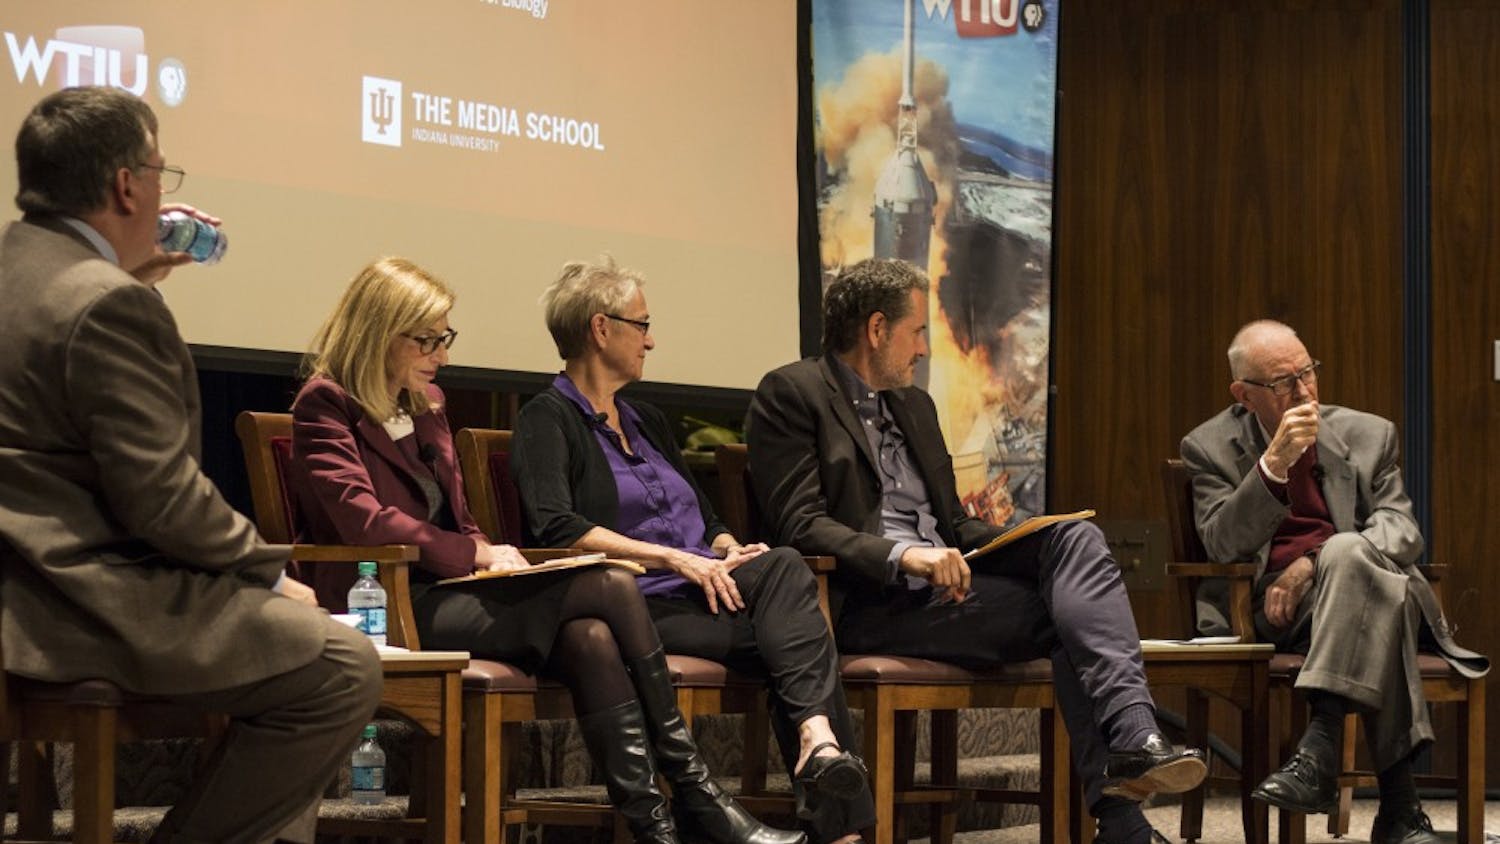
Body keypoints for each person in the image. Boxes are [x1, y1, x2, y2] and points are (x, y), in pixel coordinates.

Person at [288, 257, 803, 844]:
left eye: (445, 338)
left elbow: (460, 516)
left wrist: (489, 551)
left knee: (592, 636)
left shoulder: (425, 402)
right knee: (609, 581)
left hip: (450, 589)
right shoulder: (325, 404)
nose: (443, 355)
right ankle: (697, 791)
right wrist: (475, 556)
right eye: (428, 339)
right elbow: (365, 522)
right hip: (387, 602)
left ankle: (655, 828)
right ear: (381, 332)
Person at [0, 86, 383, 844]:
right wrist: (269, 574)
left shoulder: (33, 272)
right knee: (341, 663)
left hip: (17, 584)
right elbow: (163, 501)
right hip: (75, 599)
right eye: (160, 172)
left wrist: (130, 277)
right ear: (126, 185)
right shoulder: (108, 304)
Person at [744, 258, 1206, 844]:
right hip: (870, 601)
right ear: (877, 328)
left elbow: (956, 526)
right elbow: (798, 524)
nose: (923, 349)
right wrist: (902, 557)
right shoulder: (793, 392)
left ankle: (1136, 744)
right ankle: (1123, 802)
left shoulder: (914, 405)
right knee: (1075, 622)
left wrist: (1028, 533)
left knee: (1075, 539)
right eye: (917, 332)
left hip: (951, 586)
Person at [509, 255, 874, 844]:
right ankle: (840, 823)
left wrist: (726, 546)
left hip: (706, 591)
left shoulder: (647, 419)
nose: (651, 340)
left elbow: (704, 516)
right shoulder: (546, 420)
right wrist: (674, 558)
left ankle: (818, 740)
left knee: (778, 566)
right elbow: (557, 527)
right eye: (642, 324)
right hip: (637, 608)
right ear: (601, 330)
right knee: (800, 643)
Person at [1179, 319, 1487, 844]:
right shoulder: (1208, 447)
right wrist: (1271, 467)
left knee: (1349, 555)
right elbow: (1221, 544)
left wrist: (1314, 561)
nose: (1303, 391)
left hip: (1356, 589)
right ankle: (1401, 812)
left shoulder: (1368, 435)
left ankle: (1319, 747)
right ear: (1244, 394)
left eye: (1308, 372)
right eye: (1283, 382)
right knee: (1377, 599)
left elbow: (1402, 529)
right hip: (1273, 613)